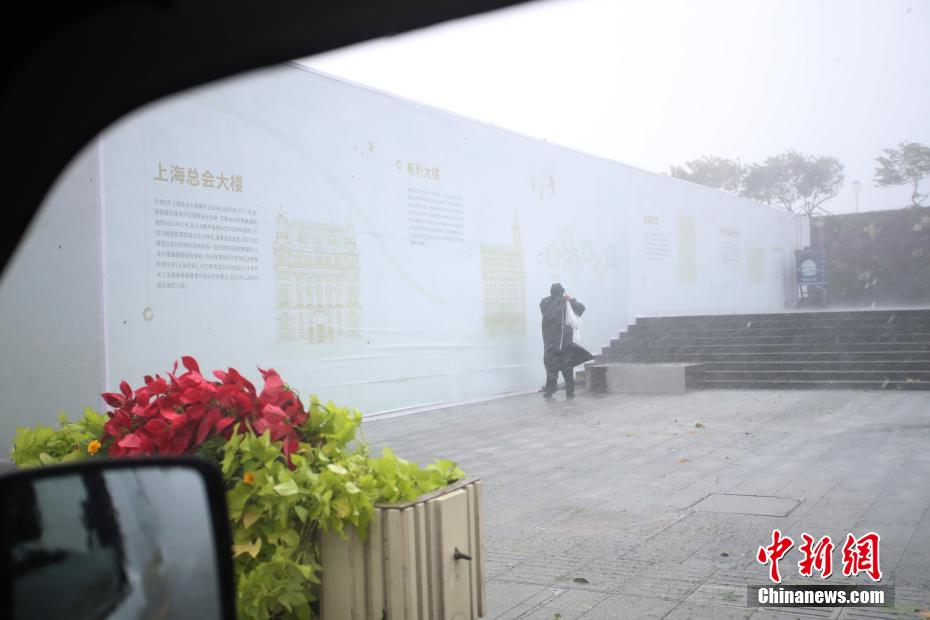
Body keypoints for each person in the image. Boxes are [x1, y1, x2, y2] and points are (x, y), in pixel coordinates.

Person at [540, 283, 591, 399]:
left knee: (551, 368)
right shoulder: (566, 302)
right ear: (562, 291)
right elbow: (581, 309)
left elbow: (551, 315)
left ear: (551, 291)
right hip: (564, 341)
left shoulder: (544, 303)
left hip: (550, 342)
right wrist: (571, 299)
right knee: (567, 367)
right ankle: (570, 391)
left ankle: (550, 391)